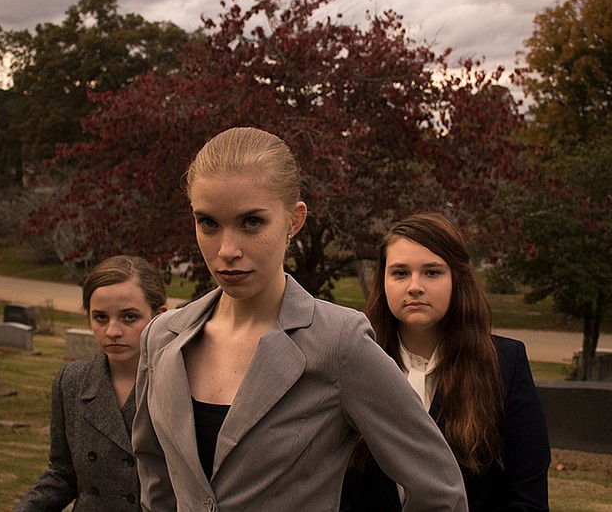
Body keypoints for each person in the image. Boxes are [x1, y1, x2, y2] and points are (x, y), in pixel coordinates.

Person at [132, 127, 467, 511]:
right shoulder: (161, 338)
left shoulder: (338, 342)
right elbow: (154, 475)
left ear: (294, 221)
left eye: (251, 222)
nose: (227, 250)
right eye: (208, 222)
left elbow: (439, 489)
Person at [341, 213, 551, 511]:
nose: (415, 286)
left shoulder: (505, 365)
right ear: (383, 281)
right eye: (400, 273)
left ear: (457, 278)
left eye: (432, 272)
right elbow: (333, 492)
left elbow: (526, 498)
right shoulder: (352, 364)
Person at [14, 255, 167, 512]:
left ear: (160, 315)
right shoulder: (72, 381)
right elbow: (62, 474)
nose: (112, 331)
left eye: (129, 317)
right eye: (100, 317)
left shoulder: (185, 382)